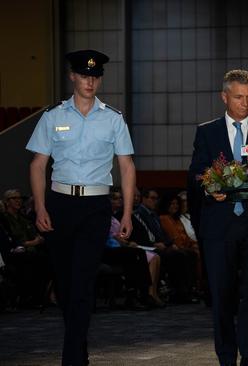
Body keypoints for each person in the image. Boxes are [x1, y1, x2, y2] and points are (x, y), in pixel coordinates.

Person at [26, 49, 136, 366]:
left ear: (100, 79)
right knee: (65, 283)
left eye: (95, 76)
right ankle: (79, 343)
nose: (90, 81)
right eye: (84, 75)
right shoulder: (52, 117)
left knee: (83, 281)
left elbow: (126, 166)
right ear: (72, 76)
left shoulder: (113, 119)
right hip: (60, 205)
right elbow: (37, 165)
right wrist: (41, 208)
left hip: (95, 207)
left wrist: (126, 212)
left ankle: (71, 357)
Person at [187, 69, 248, 366]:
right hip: (219, 225)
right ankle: (226, 356)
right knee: (222, 295)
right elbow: (197, 172)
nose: (245, 104)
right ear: (224, 97)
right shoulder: (207, 132)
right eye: (239, 97)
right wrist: (210, 186)